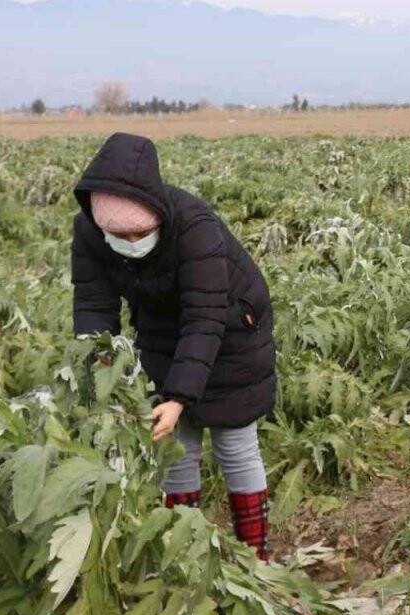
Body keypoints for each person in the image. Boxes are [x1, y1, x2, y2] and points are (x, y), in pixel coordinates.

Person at [71, 132, 277, 561]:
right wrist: (99, 370)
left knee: (235, 445)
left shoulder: (195, 226)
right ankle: (185, 554)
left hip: (234, 328)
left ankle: (256, 560)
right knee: (174, 445)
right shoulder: (90, 231)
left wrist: (180, 397)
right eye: (118, 235)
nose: (131, 244)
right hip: (161, 333)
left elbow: (205, 317)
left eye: (141, 233)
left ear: (158, 215)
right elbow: (93, 304)